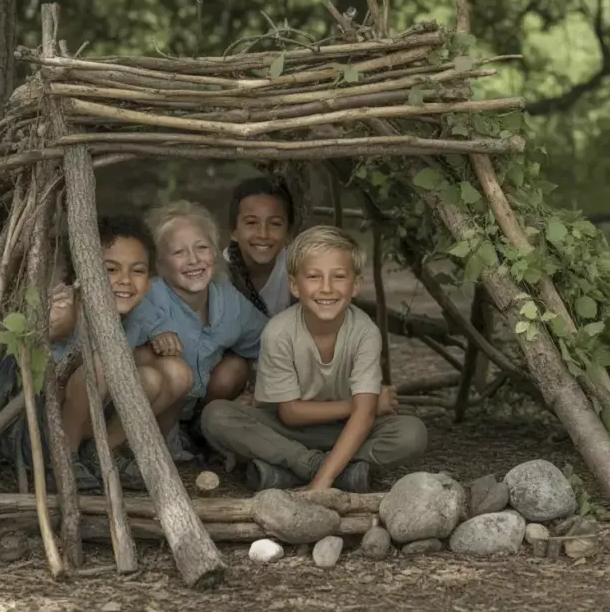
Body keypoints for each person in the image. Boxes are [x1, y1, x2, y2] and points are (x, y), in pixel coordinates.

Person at [199, 225, 429, 493]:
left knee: (412, 433)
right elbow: (291, 413)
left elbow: (364, 416)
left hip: (346, 429)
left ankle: (287, 472)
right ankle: (329, 469)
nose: (327, 288)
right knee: (215, 416)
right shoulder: (279, 331)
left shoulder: (365, 332)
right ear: (295, 285)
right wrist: (360, 407)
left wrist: (321, 484)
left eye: (339, 277)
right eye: (314, 277)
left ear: (355, 285)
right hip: (287, 429)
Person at [0, 214, 192, 492]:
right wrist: (57, 325)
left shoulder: (141, 311)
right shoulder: (66, 307)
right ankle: (64, 460)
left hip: (89, 410)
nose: (125, 280)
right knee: (103, 364)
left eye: (137, 271)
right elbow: (44, 348)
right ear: (82, 274)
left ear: (149, 282)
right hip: (39, 426)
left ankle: (102, 454)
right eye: (110, 269)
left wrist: (161, 337)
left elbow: (144, 348)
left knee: (174, 373)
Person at [124, 200, 269, 429]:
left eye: (201, 247)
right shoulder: (150, 296)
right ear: (159, 265)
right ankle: (148, 440)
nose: (193, 259)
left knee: (235, 367)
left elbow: (268, 338)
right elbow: (119, 345)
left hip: (197, 403)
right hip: (154, 405)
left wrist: (257, 392)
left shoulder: (226, 297)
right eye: (178, 252)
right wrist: (152, 339)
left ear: (214, 251)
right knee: (147, 360)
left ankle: (200, 431)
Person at [224, 176, 296, 318]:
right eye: (251, 223)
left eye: (275, 223)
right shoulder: (218, 274)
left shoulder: (297, 268)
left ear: (288, 233)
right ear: (234, 231)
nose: (263, 234)